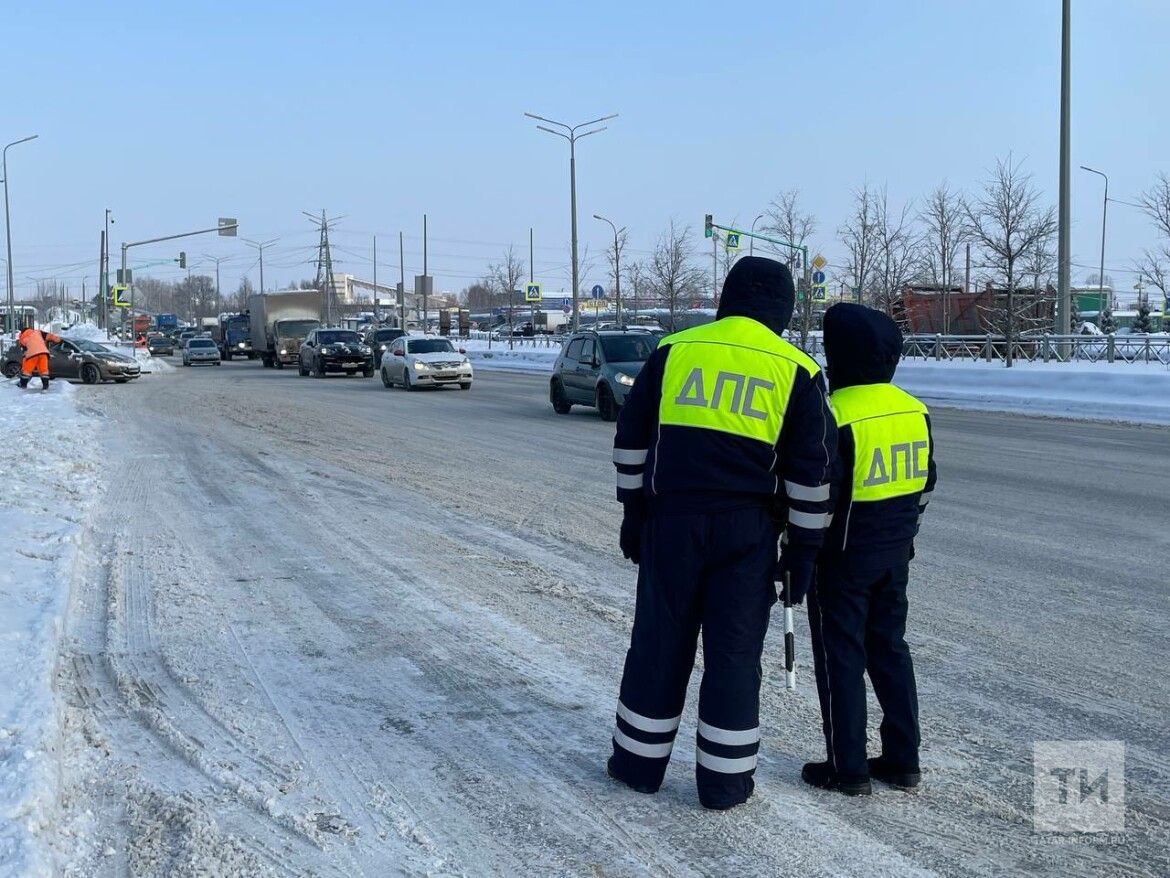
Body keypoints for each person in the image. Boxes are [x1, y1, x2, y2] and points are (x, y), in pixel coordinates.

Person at [606, 256, 837, 810]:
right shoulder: (797, 369)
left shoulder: (675, 351)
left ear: (726, 299)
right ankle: (724, 783)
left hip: (672, 522)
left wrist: (633, 511)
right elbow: (811, 476)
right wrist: (802, 554)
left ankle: (638, 764)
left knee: (659, 644)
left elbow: (632, 438)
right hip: (749, 533)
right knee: (733, 657)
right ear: (783, 309)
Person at [803, 303, 937, 796]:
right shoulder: (913, 409)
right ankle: (903, 760)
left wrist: (800, 550)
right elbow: (925, 485)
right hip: (894, 555)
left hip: (840, 560)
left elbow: (820, 495)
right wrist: (904, 536)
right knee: (890, 652)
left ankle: (848, 767)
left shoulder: (834, 413)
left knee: (841, 658)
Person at [15, 326, 62, 390]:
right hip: (43, 353)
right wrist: (58, 339)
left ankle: (23, 386)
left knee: (26, 371)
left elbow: (25, 353)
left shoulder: (22, 338)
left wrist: (23, 367)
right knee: (44, 371)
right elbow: (49, 336)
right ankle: (45, 387)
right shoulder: (38, 332)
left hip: (32, 354)